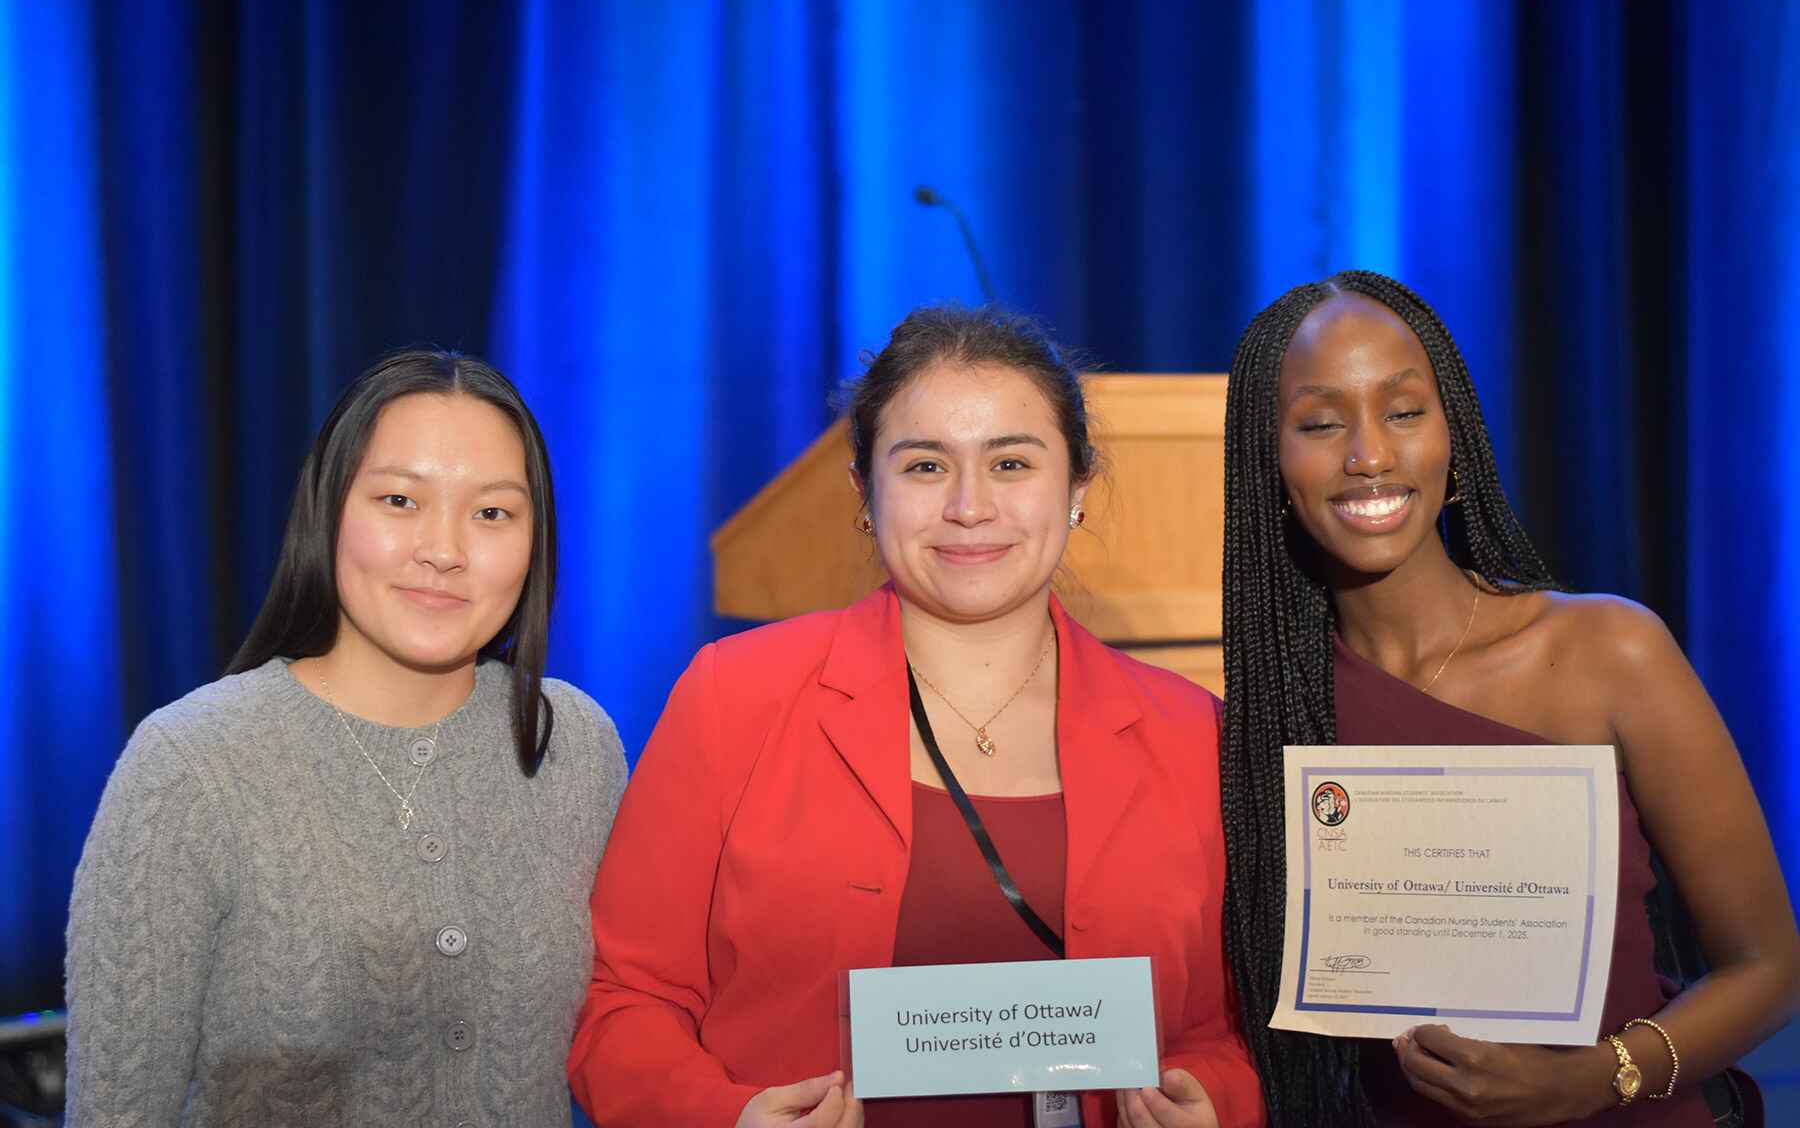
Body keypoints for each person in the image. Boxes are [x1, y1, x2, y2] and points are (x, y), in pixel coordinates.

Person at [568, 305, 1264, 1128]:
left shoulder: (1193, 732)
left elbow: (1234, 1030)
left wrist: (1218, 1102)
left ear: (1078, 487)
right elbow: (623, 1002)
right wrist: (722, 1118)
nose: (970, 506)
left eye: (1011, 463)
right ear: (866, 491)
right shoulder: (733, 697)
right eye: (926, 466)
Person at [1217, 271, 1800, 1126]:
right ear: (1271, 463)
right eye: (1320, 423)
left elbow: (1771, 969)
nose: (1369, 453)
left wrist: (1592, 1080)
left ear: (1455, 437)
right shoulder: (1270, 721)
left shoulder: (1608, 652)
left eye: (1405, 411)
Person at [65, 350, 628, 1127]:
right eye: (401, 500)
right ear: (328, 510)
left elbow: (634, 1021)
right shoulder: (192, 765)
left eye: (492, 512)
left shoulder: (578, 745)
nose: (444, 549)